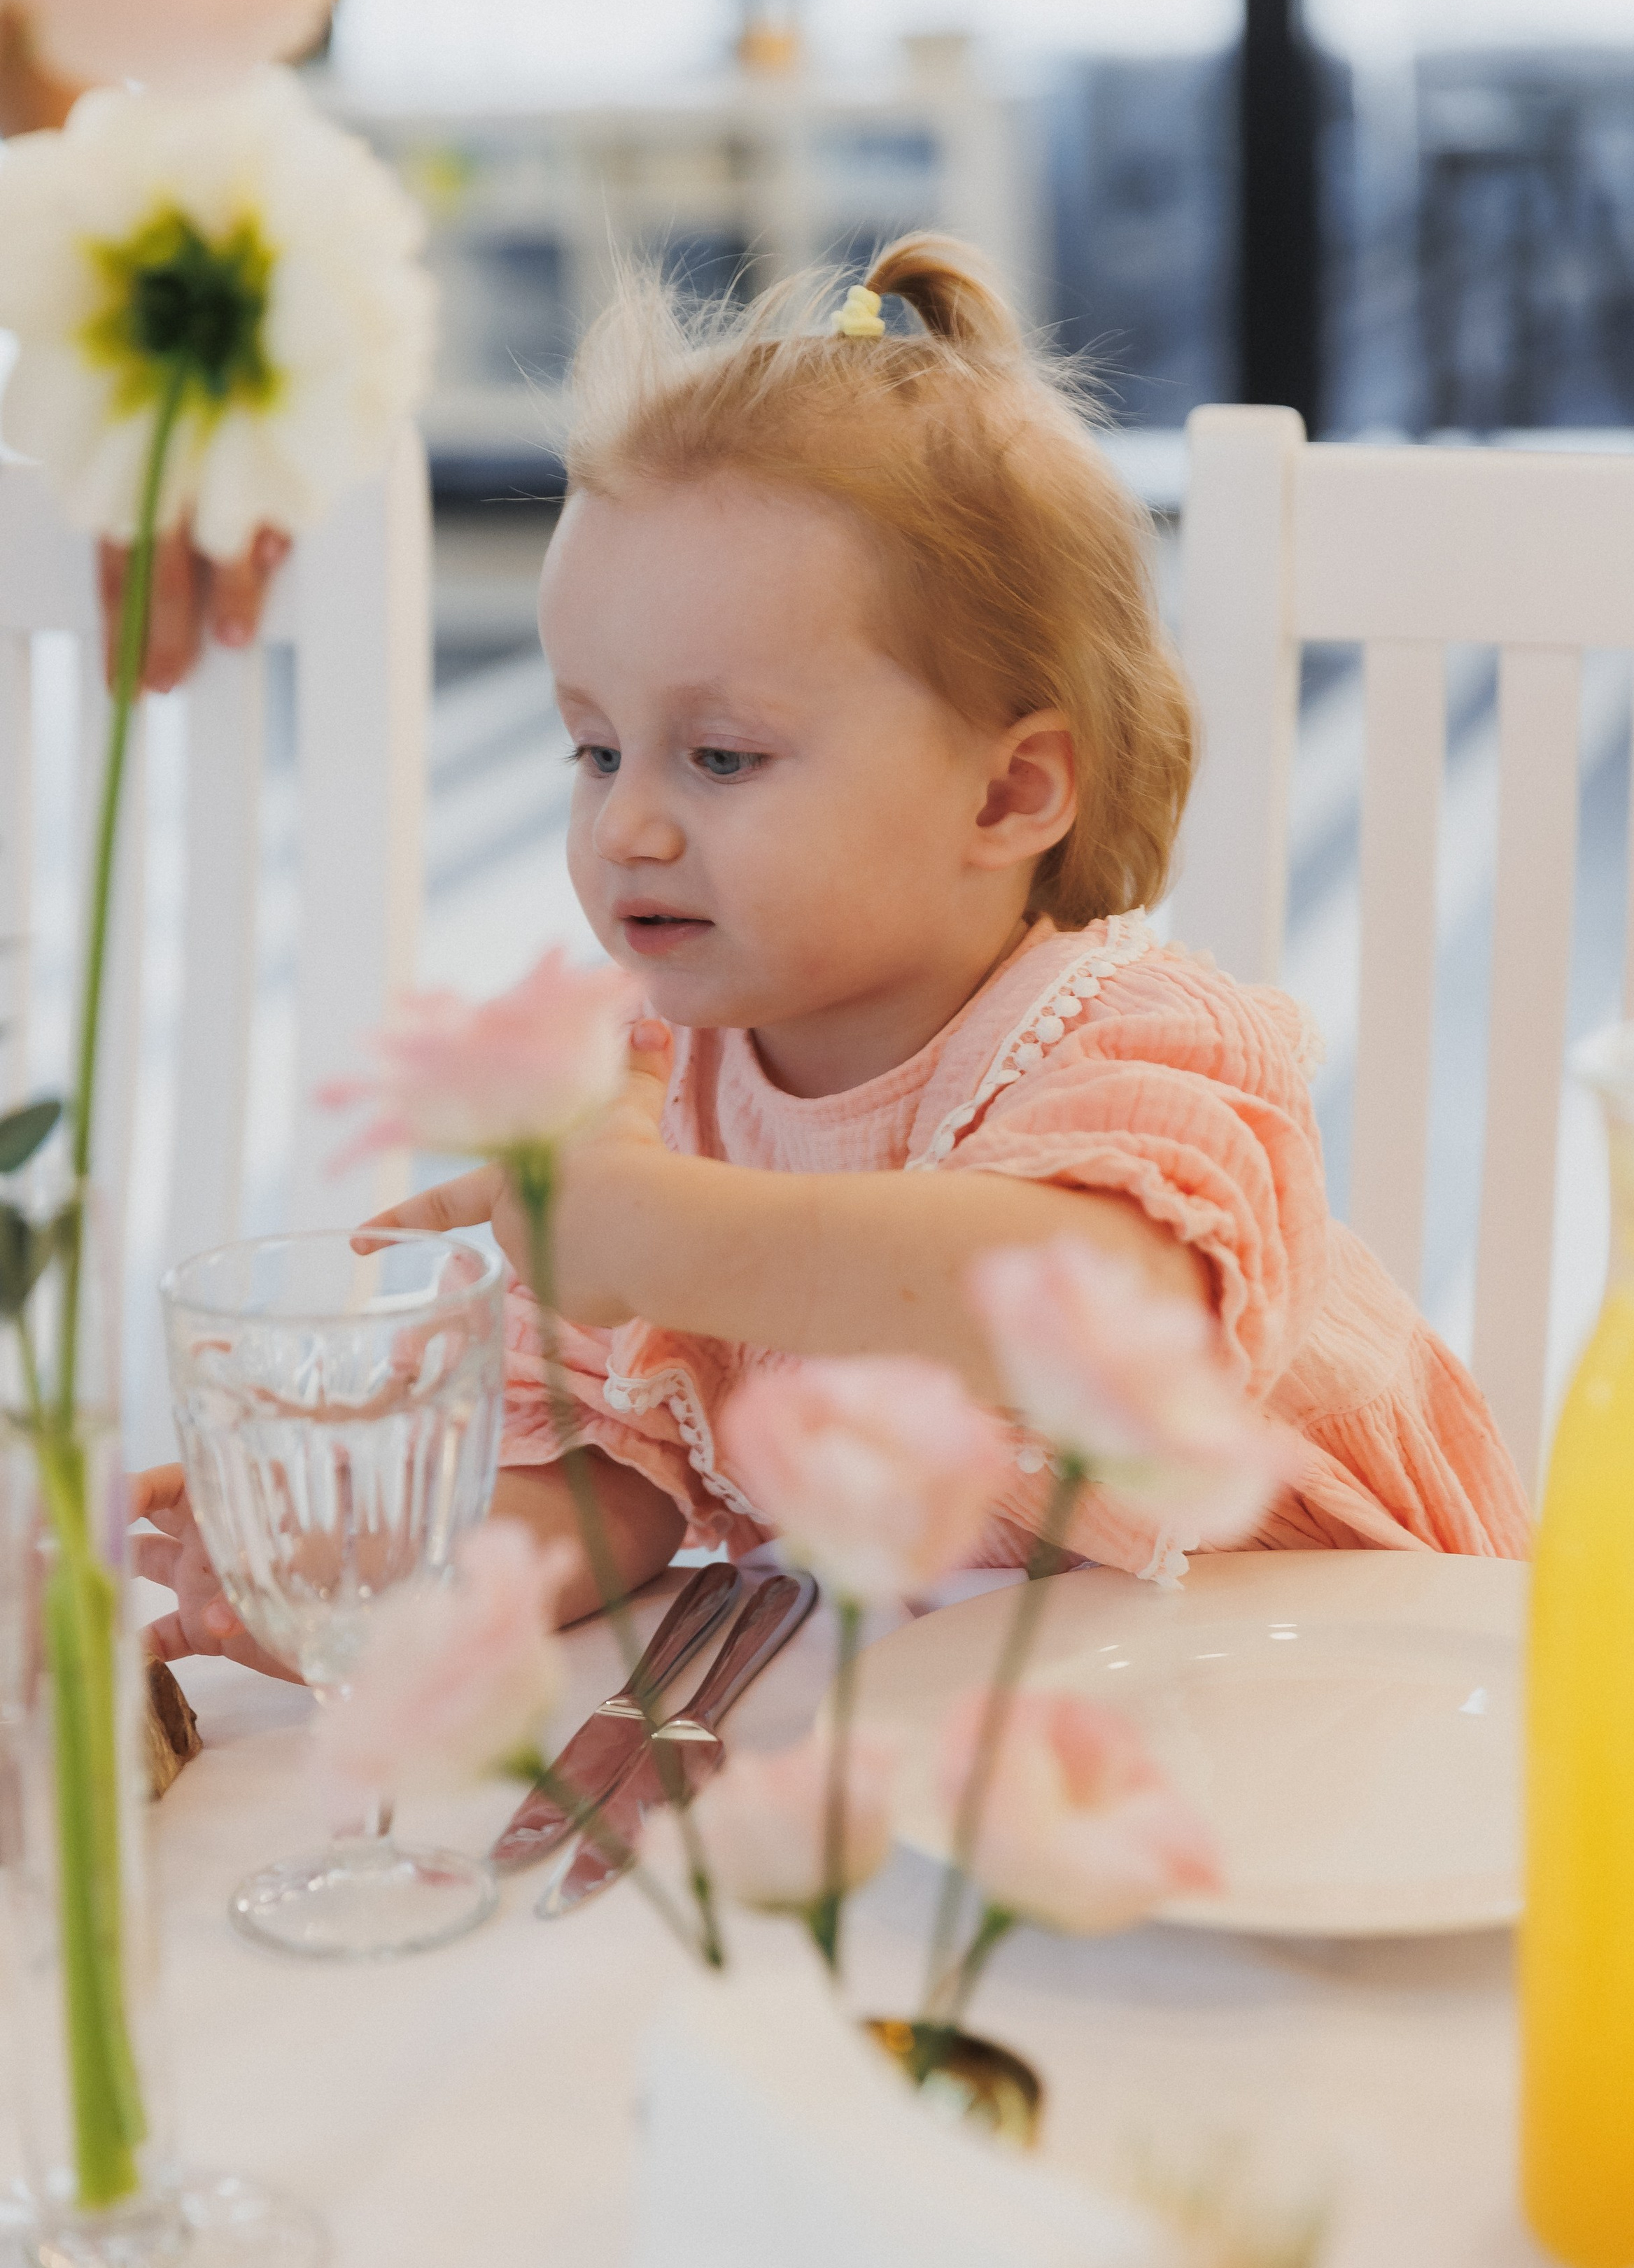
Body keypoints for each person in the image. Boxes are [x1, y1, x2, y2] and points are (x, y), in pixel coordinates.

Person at [132, 233, 1528, 1672]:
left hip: (1361, 1685)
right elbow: (601, 1479)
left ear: (1007, 793)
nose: (627, 826)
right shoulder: (643, 1084)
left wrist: (661, 1236)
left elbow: (1113, 1311)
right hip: (999, 1734)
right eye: (594, 747)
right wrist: (384, 1586)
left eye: (721, 757)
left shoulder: (1138, 1037)